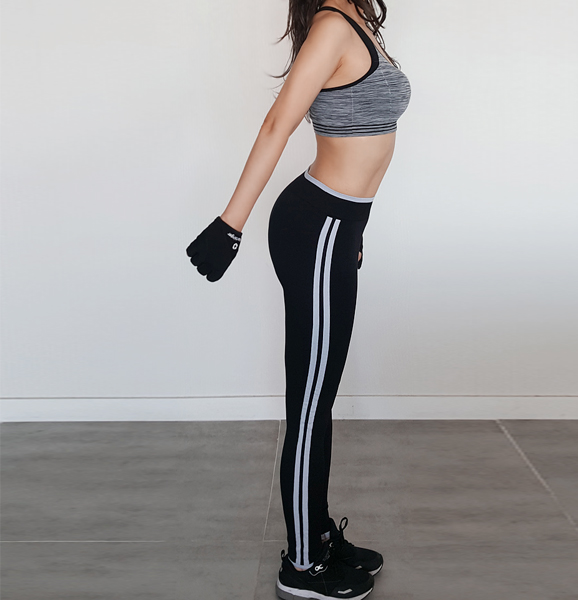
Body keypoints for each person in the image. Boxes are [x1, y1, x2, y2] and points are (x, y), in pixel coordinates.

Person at [186, 0, 411, 597]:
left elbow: (366, 146)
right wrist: (229, 226)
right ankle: (303, 563)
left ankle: (318, 533)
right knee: (312, 402)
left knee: (320, 394)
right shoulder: (334, 27)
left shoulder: (356, 19)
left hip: (339, 228)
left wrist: (356, 233)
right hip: (316, 227)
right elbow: (277, 125)